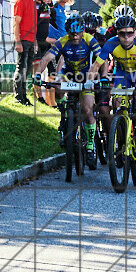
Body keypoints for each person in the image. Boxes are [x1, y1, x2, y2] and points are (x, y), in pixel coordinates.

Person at [88, 15, 136, 151]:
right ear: (117, 33)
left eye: (130, 33)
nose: (126, 37)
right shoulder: (111, 43)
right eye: (122, 33)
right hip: (122, 73)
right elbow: (96, 66)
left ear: (135, 32)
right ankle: (121, 140)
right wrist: (89, 80)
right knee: (117, 104)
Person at [34, 15, 102, 165]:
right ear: (67, 32)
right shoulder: (62, 41)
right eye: (72, 34)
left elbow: (102, 58)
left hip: (86, 76)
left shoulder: (90, 40)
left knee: (87, 109)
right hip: (68, 74)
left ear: (83, 30)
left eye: (78, 33)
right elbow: (46, 58)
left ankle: (90, 144)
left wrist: (102, 78)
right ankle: (63, 109)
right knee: (57, 85)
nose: (75, 36)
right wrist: (38, 75)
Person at [13, 0, 38, 105]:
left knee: (28, 69)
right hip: (22, 39)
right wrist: (17, 41)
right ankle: (18, 96)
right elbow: (16, 22)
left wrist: (35, 41)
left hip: (31, 40)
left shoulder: (33, 3)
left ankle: (24, 95)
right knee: (21, 67)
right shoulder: (21, 1)